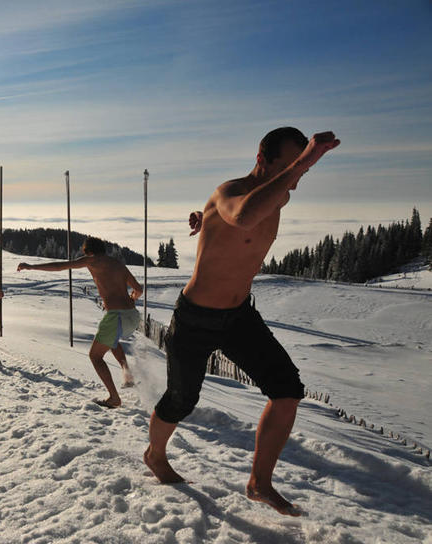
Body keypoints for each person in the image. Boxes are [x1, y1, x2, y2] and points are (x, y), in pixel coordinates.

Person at [144, 128, 340, 517]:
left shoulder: (277, 195)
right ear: (262, 159)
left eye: (302, 169)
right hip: (196, 317)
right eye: (291, 166)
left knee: (287, 391)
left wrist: (205, 219)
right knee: (182, 400)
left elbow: (234, 221)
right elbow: (243, 213)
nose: (297, 178)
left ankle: (259, 483)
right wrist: (307, 160)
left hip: (239, 317)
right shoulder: (230, 190)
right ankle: (155, 455)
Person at [17, 236, 142, 408]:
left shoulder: (92, 261)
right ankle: (128, 375)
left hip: (116, 316)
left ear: (88, 251)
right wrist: (132, 298)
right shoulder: (118, 264)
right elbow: (139, 289)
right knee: (111, 341)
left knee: (95, 356)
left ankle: (114, 398)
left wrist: (30, 266)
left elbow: (60, 266)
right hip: (132, 316)